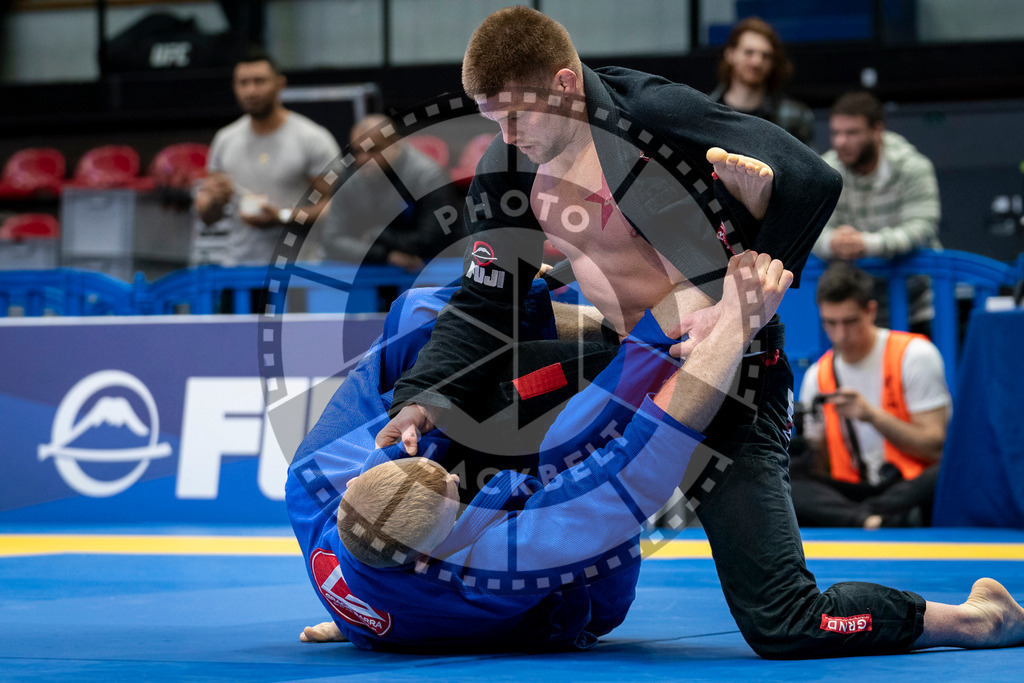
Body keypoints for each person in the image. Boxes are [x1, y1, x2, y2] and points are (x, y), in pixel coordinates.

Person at [367, 7, 1024, 659]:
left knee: (786, 622)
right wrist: (421, 395)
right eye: (491, 119)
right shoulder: (508, 167)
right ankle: (405, 605)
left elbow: (813, 178)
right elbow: (488, 301)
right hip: (618, 360)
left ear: (565, 86)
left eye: (515, 115)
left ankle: (970, 618)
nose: (506, 135)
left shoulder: (650, 113)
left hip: (726, 373)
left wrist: (748, 274)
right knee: (455, 405)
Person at [291, 251, 793, 650]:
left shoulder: (314, 481)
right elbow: (642, 461)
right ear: (434, 557)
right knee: (574, 436)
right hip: (566, 600)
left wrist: (515, 289)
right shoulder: (493, 571)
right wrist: (735, 326)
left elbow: (394, 348)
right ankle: (642, 338)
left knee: (415, 314)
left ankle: (385, 620)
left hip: (392, 587)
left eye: (420, 463)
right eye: (451, 486)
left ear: (352, 484)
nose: (451, 476)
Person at [793, 262, 950, 529]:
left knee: (945, 472)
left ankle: (861, 515)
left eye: (850, 322)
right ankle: (870, 518)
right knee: (783, 480)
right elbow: (819, 464)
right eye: (830, 323)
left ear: (871, 311)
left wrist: (872, 416)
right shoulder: (817, 375)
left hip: (908, 483)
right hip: (855, 487)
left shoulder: (914, 355)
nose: (840, 335)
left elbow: (936, 448)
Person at [193, 50, 340, 268]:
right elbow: (208, 216)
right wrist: (214, 199)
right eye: (243, 83)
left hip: (296, 272)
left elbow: (338, 206)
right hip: (239, 271)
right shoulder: (225, 139)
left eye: (259, 81)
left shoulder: (311, 138)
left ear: (280, 84)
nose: (250, 90)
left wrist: (282, 216)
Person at [814, 91, 942, 335]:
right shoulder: (826, 170)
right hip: (850, 312)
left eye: (851, 133)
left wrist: (865, 244)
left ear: (877, 130)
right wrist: (833, 243)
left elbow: (922, 227)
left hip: (915, 307)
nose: (840, 141)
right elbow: (812, 231)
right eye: (835, 133)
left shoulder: (913, 166)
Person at [318, 114, 464, 272]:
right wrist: (385, 254)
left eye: (373, 149)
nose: (363, 159)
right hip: (372, 277)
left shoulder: (428, 176)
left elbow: (433, 240)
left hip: (434, 274)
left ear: (395, 143)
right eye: (357, 151)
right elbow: (332, 240)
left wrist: (377, 235)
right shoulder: (350, 179)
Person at [709, 17, 816, 147]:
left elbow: (809, 167)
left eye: (766, 56)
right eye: (749, 52)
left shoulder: (796, 116)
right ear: (730, 54)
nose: (757, 62)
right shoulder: (706, 111)